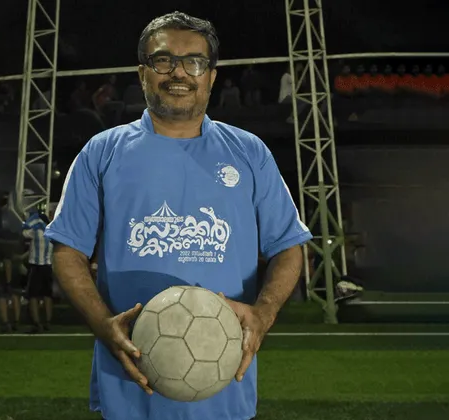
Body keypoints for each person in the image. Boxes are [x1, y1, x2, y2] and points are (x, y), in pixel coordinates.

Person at [44, 11, 310, 420]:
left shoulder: (249, 152)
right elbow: (67, 251)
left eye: (194, 61)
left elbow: (289, 247)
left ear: (211, 76)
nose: (179, 73)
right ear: (143, 73)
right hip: (129, 388)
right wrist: (102, 323)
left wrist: (263, 313)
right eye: (163, 60)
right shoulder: (101, 152)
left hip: (224, 390)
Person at [22, 204, 55, 333]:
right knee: (47, 295)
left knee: (33, 296)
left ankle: (37, 323)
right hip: (48, 266)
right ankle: (48, 322)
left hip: (36, 266)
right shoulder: (54, 231)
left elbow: (24, 232)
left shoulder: (37, 228)